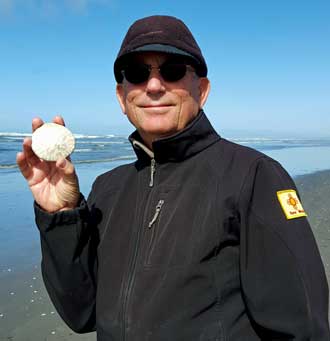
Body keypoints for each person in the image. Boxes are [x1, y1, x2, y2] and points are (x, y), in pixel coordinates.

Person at [16, 15, 330, 341]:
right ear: (122, 98)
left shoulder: (254, 176)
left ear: (202, 90)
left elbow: (302, 327)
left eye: (173, 70)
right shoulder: (108, 187)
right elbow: (82, 312)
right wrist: (62, 216)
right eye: (137, 74)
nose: (154, 86)